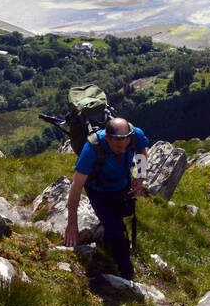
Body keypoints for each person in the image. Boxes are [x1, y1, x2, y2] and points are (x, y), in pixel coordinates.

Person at [63, 117, 148, 280]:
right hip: (98, 191)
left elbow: (141, 150)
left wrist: (140, 177)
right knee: (117, 230)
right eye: (117, 148)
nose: (122, 151)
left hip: (122, 184)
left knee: (120, 217)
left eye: (125, 148)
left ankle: (110, 241)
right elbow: (76, 187)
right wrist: (72, 224)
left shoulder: (136, 135)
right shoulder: (91, 149)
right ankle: (126, 273)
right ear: (107, 138)